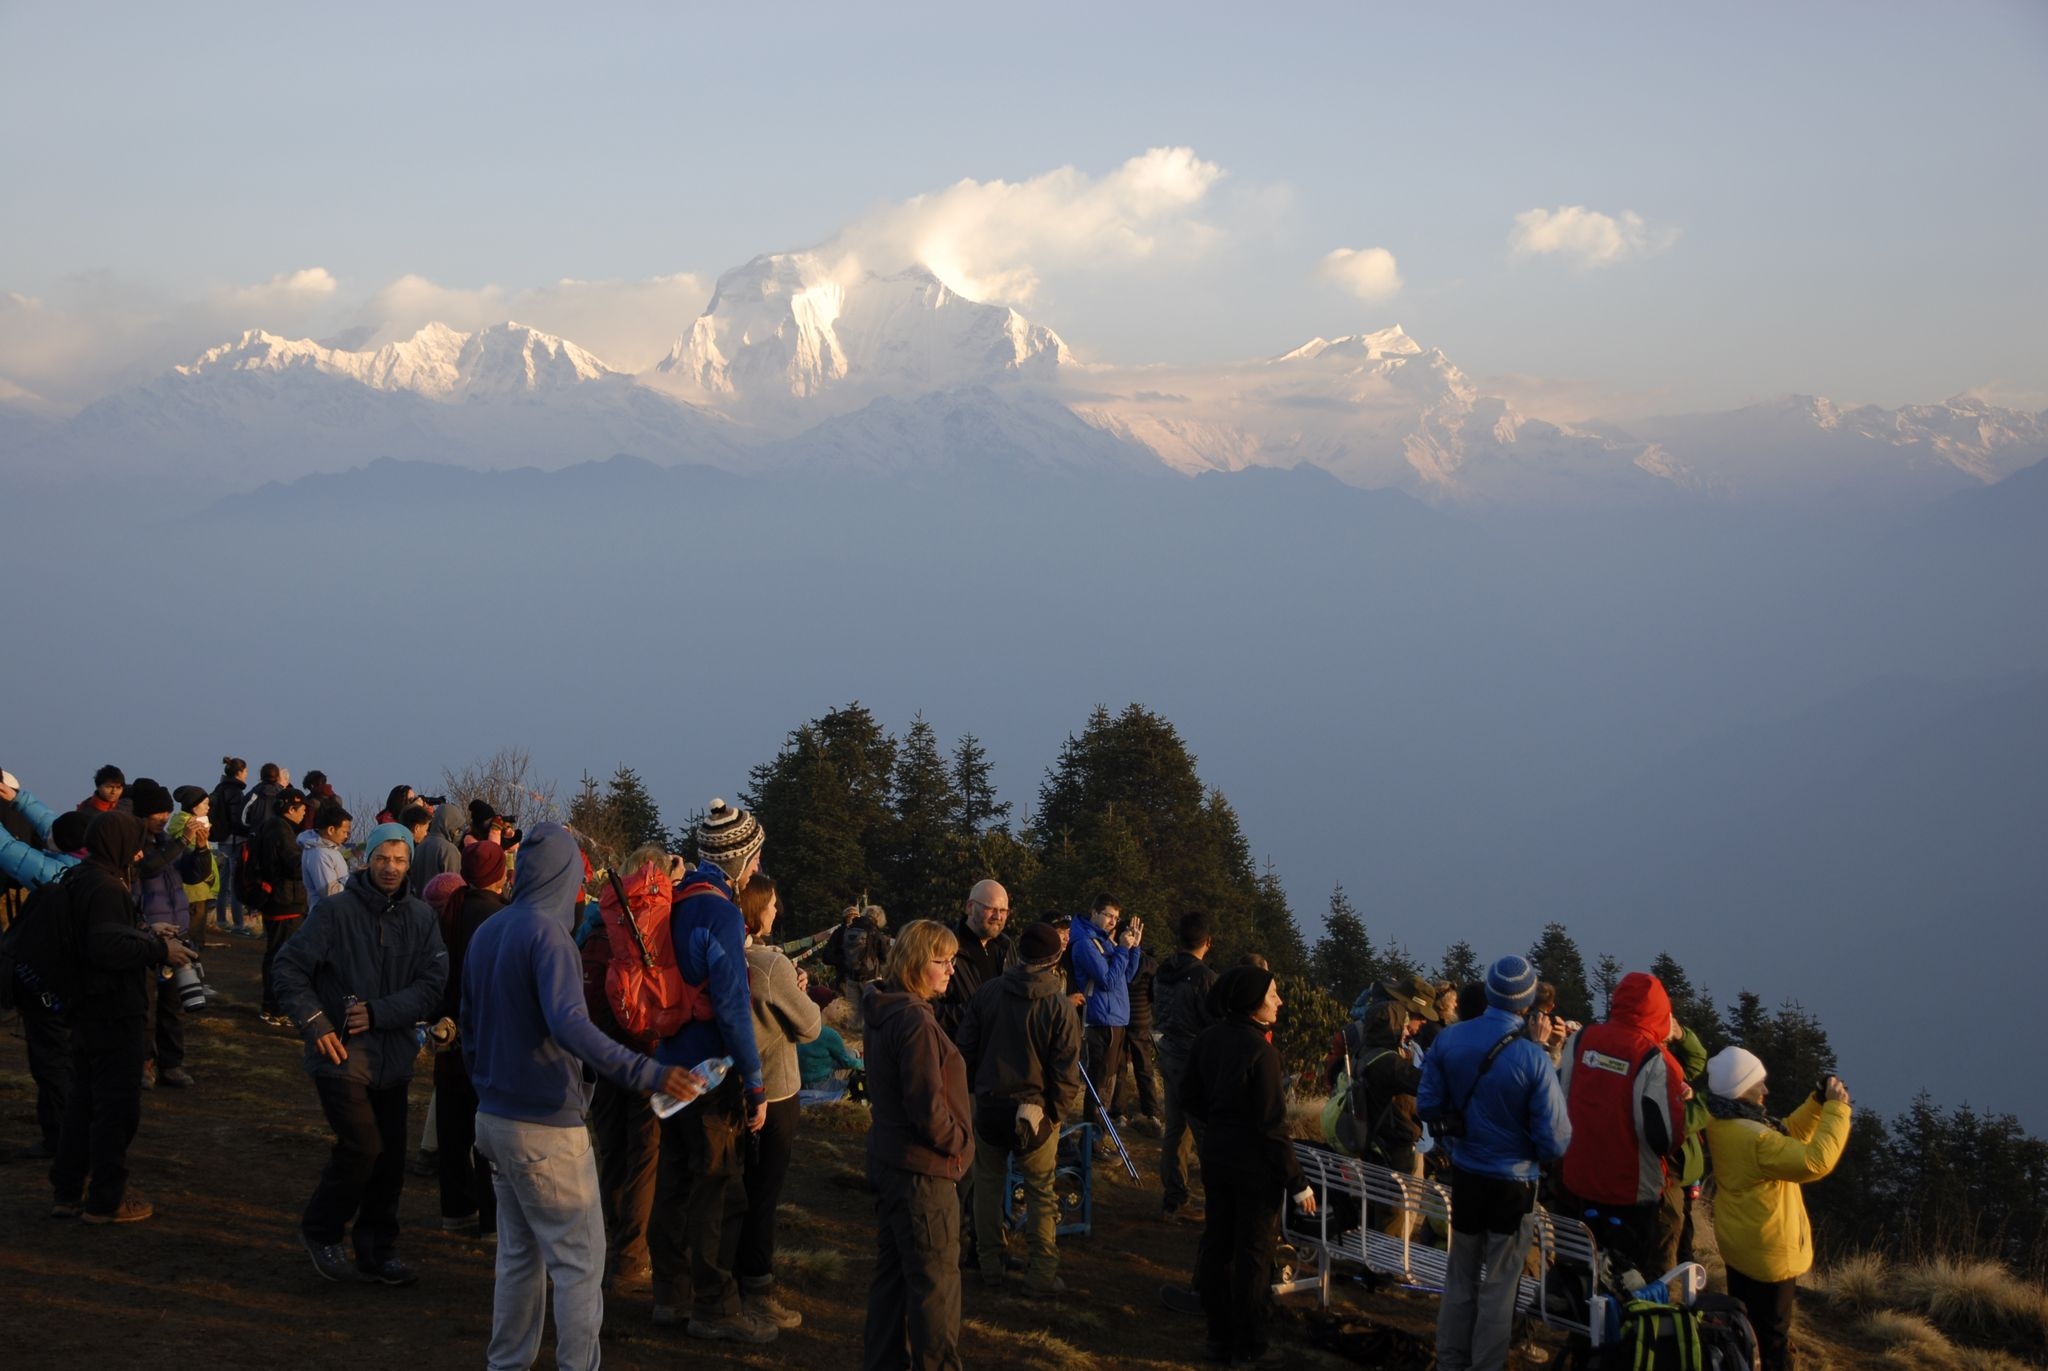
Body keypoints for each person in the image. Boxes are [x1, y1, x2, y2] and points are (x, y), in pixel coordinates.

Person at [461, 821, 704, 1371]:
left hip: (494, 1119)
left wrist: (486, 1087)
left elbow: (469, 1026)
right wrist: (647, 1072)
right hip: (545, 1128)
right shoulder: (548, 937)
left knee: (519, 1259)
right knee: (578, 1266)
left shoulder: (489, 932)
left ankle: (508, 1364)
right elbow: (571, 1026)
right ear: (568, 876)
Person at [273, 820, 448, 1285]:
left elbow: (432, 986)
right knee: (362, 1147)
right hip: (340, 1055)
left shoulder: (422, 917)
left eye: (399, 859)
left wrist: (381, 1012)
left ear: (410, 862)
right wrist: (315, 1023)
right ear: (365, 859)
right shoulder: (334, 913)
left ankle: (376, 1250)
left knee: (389, 1158)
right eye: (381, 858)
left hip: (393, 1056)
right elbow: (288, 969)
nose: (390, 868)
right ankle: (321, 1231)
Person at [648, 799, 774, 1343]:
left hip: (666, 1066)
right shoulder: (720, 912)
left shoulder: (674, 901)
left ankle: (668, 1296)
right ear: (742, 859)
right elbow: (731, 1005)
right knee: (717, 1187)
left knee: (673, 1183)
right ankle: (715, 1307)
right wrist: (754, 1080)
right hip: (710, 1074)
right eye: (757, 854)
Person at [1418, 955, 1572, 1371]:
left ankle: (1450, 1361)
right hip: (1514, 1184)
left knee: (1460, 1278)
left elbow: (1428, 1104)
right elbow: (1556, 1140)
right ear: (1527, 1003)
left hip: (1466, 1174)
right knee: (1499, 1289)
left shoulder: (1449, 1039)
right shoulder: (1533, 1058)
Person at [50, 811, 198, 1223]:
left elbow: (105, 936)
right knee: (116, 1109)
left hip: (85, 1010)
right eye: (131, 840)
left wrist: (149, 932)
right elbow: (105, 947)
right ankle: (106, 1200)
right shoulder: (105, 887)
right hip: (114, 1010)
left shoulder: (83, 877)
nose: (138, 849)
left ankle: (67, 1191)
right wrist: (157, 950)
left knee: (83, 1102)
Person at [1180, 965, 1314, 1365]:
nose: (1279, 1001)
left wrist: (1220, 1121)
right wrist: (1298, 1182)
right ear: (1253, 1001)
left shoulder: (1208, 1039)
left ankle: (1217, 1337)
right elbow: (1272, 1126)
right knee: (1254, 1256)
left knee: (1219, 1245)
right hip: (1255, 1169)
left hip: (1217, 1157)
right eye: (1272, 994)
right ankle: (1248, 1344)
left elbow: (1190, 1097)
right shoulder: (1262, 1052)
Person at [862, 919, 971, 1371]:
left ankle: (882, 1362)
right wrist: (960, 1143)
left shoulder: (882, 1007)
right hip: (922, 1171)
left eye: (952, 960)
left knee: (892, 1276)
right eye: (939, 961)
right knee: (935, 1284)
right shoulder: (913, 1022)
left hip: (890, 1159)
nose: (950, 970)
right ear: (912, 963)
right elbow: (927, 1109)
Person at [1703, 1048, 1853, 1371]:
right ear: (1741, 1088)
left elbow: (1784, 1134)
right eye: (1759, 1083)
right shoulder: (1755, 1139)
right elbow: (1814, 1161)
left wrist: (1816, 1103)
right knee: (1772, 1343)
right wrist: (1837, 1111)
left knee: (1743, 1331)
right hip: (1768, 1257)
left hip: (1741, 1247)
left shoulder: (1723, 1120)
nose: (1766, 1090)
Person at [955, 918, 1081, 1297]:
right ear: (1055, 959)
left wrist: (976, 1095)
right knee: (1041, 1190)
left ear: (1017, 954)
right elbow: (1066, 1071)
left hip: (990, 1106)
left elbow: (965, 1050)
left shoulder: (988, 993)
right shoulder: (1060, 1007)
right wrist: (1055, 1114)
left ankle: (990, 1265)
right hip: (1036, 1112)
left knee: (988, 1187)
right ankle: (1041, 1274)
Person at [1554, 971, 1688, 1280]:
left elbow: (1559, 1099)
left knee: (1581, 1269)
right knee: (1625, 1278)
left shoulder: (1581, 1040)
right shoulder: (1654, 1058)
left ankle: (1579, 1326)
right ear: (1659, 1011)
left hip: (1579, 1178)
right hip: (1630, 1190)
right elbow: (1664, 1136)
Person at [737, 871, 823, 1329]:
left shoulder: (727, 954)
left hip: (730, 1088)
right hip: (774, 1091)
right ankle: (756, 1286)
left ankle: (729, 1276)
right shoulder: (770, 965)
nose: (777, 910)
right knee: (763, 1193)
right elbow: (810, 1026)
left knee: (735, 1188)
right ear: (754, 909)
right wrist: (797, 992)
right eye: (770, 903)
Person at [581, 844, 667, 1292]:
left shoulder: (595, 929)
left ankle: (609, 1245)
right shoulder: (657, 927)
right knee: (645, 1156)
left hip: (600, 1053)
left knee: (611, 1150)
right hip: (648, 1055)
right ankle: (633, 1258)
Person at [436, 838, 510, 1238]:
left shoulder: (451, 908)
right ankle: (492, 1217)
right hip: (483, 1037)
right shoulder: (498, 918)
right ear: (499, 874)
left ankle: (455, 1209)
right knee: (486, 1130)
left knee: (452, 1127)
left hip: (447, 1031)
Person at [129, 779, 200, 1090]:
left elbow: (196, 874)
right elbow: (148, 870)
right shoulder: (133, 844)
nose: (164, 818)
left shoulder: (166, 842)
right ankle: (143, 1062)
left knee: (173, 1004)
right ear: (144, 814)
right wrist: (182, 842)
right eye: (159, 813)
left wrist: (199, 848)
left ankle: (171, 1062)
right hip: (146, 934)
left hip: (177, 931)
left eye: (167, 813)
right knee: (144, 1005)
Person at [1153, 911, 1219, 1221]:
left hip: (1168, 1051)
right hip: (1194, 1059)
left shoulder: (1165, 970)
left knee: (1175, 1128)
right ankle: (1216, 1202)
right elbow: (1213, 1019)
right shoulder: (1204, 977)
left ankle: (1173, 1197)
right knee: (1205, 1133)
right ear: (1207, 941)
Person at [1068, 893, 1142, 1146]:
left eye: (1117, 918)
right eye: (1109, 915)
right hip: (1102, 1019)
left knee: (1108, 1082)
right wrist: (1121, 948)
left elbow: (1126, 976)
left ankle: (1097, 1137)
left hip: (1116, 1017)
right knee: (1100, 1082)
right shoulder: (1085, 944)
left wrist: (1133, 949)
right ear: (1094, 912)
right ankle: (1092, 1143)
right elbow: (1107, 981)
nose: (1113, 921)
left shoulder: (1103, 941)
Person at [254, 787, 309, 1025]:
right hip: (285, 901)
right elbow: (294, 866)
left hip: (277, 899)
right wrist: (310, 856)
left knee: (276, 952)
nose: (305, 812)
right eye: (302, 808)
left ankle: (273, 1005)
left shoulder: (272, 826)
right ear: (291, 809)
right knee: (282, 955)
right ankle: (275, 1007)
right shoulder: (282, 831)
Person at [208, 758, 255, 936]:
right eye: (246, 771)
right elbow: (236, 819)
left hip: (221, 839)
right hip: (234, 840)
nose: (246, 775)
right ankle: (238, 924)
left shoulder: (219, 788)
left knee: (224, 882)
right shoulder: (235, 792)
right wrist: (248, 832)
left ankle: (221, 920)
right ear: (240, 772)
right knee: (236, 883)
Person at [168, 786, 217, 951]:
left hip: (189, 888)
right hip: (196, 888)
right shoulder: (194, 827)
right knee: (193, 933)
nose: (208, 807)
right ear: (194, 807)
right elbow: (198, 857)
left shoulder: (177, 824)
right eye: (205, 804)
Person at [300, 801, 353, 912]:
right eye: (344, 832)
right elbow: (329, 892)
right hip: (326, 917)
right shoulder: (319, 854)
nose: (346, 836)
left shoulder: (330, 849)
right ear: (331, 830)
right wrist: (355, 880)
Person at [411, 801, 465, 895]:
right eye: (457, 829)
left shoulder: (419, 847)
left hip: (419, 905)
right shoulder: (449, 850)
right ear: (449, 825)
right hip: (441, 906)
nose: (458, 833)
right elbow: (454, 887)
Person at [239, 762, 289, 837]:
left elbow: (242, 819)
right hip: (278, 836)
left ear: (261, 776)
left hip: (256, 837)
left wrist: (252, 829)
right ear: (278, 777)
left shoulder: (253, 794)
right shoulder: (284, 795)